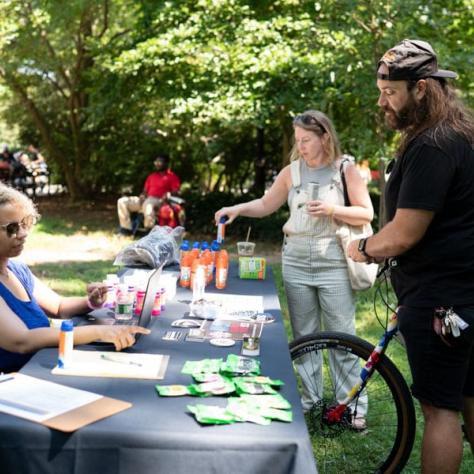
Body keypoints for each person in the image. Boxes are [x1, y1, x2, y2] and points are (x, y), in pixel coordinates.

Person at [347, 39, 474, 472]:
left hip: (441, 301)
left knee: (441, 412)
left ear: (422, 88)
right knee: (469, 399)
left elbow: (403, 234)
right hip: (464, 296)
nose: (382, 101)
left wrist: (362, 247)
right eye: (380, 89)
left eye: (390, 92)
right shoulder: (459, 134)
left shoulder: (431, 146)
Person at [215, 110, 373, 427]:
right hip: (296, 261)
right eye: (297, 140)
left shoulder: (345, 169)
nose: (300, 146)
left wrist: (332, 209)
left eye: (306, 140)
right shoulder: (292, 172)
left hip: (334, 262)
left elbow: (366, 213)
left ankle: (352, 409)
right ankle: (311, 403)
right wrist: (237, 209)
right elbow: (265, 204)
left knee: (342, 338)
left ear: (324, 137)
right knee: (305, 336)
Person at [0, 184, 150, 373]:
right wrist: (99, 332)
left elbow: (59, 306)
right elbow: (21, 340)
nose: (23, 233)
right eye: (12, 228)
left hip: (42, 368)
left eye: (25, 223)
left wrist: (91, 302)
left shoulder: (15, 269)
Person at [117, 155, 181, 235]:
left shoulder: (172, 176)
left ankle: (149, 231)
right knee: (122, 201)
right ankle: (126, 229)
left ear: (166, 163)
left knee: (148, 203)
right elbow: (145, 191)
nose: (157, 164)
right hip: (146, 199)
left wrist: (169, 193)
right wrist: (142, 195)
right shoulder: (151, 176)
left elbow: (177, 191)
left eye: (160, 161)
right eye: (156, 162)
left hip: (159, 201)